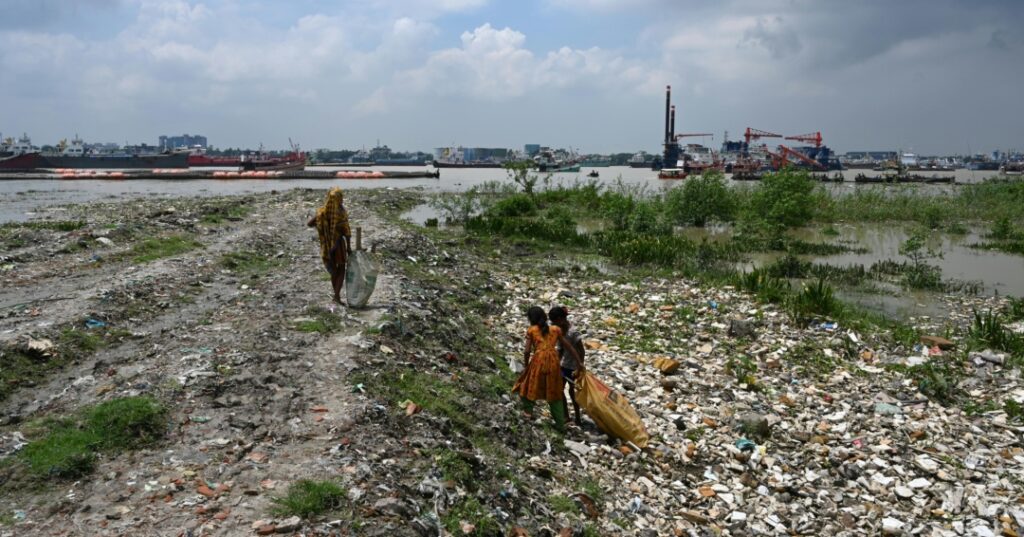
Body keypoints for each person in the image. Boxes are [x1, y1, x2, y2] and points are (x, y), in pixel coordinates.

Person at [512, 306, 582, 431]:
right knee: (554, 392)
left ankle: (528, 412)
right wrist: (579, 363)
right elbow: (570, 347)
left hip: (538, 361)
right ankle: (560, 424)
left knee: (527, 386)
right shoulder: (555, 329)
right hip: (554, 363)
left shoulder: (532, 330)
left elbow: (527, 351)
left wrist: (526, 365)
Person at [307, 187, 352, 304]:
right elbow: (346, 231)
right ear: (340, 198)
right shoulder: (341, 212)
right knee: (341, 269)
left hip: (327, 246)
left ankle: (336, 295)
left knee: (334, 271)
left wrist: (321, 225)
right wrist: (349, 247)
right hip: (338, 245)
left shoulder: (322, 212)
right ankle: (336, 296)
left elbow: (309, 224)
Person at [549, 306, 585, 426]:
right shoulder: (560, 332)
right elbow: (560, 350)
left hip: (573, 367)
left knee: (572, 392)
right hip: (563, 366)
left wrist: (580, 366)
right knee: (559, 390)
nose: (553, 324)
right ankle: (566, 416)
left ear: (560, 319)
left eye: (554, 322)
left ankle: (578, 417)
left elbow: (581, 350)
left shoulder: (573, 332)